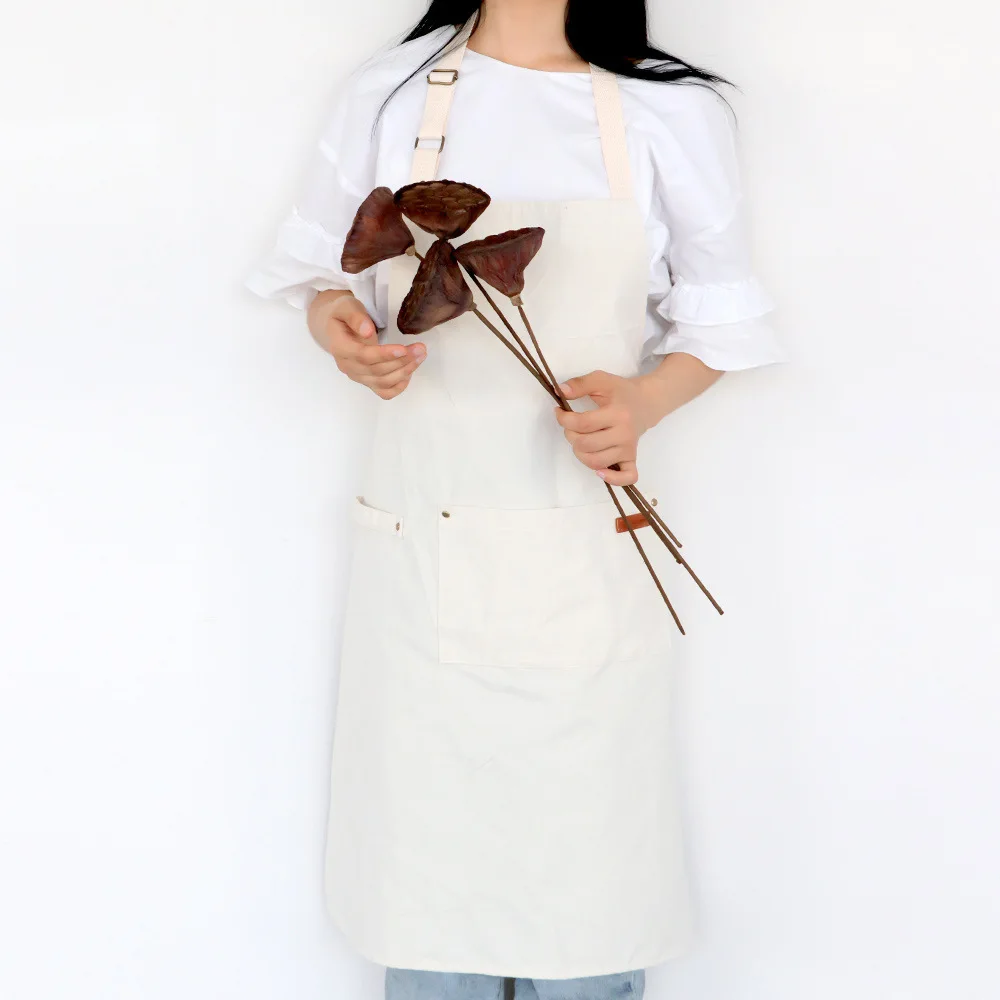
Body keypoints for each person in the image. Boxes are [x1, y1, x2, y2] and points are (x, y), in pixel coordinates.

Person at [246, 2, 785, 998]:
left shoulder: (669, 110)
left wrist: (641, 403)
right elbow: (324, 280)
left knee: (584, 889)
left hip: (581, 553)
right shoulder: (393, 90)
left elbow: (721, 322)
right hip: (420, 550)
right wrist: (344, 337)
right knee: (426, 882)